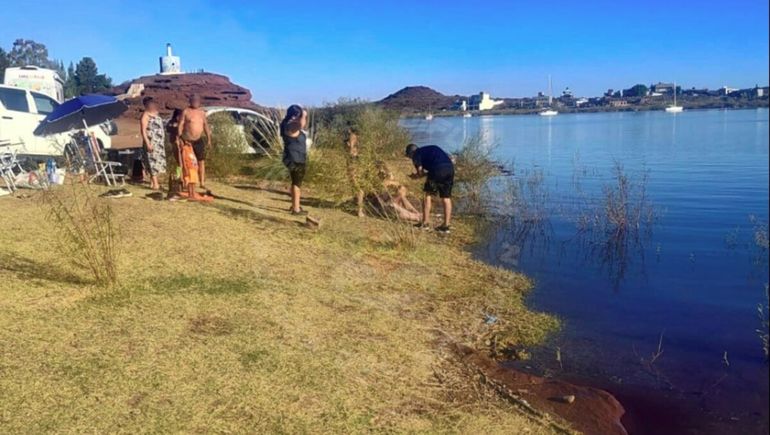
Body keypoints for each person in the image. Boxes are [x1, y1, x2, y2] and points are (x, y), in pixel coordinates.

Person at [405, 143, 454, 233]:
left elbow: (420, 172)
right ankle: (446, 226)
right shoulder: (429, 148)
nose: (410, 159)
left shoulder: (416, 154)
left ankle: (425, 223)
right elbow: (437, 166)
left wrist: (415, 176)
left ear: (411, 153)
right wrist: (429, 173)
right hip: (450, 169)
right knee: (446, 198)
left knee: (427, 195)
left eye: (409, 156)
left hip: (437, 170)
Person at [178, 96, 212, 202]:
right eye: (193, 101)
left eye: (197, 101)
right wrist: (180, 138)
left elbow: (205, 125)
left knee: (201, 161)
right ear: (190, 101)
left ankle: (201, 182)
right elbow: (180, 125)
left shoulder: (201, 112)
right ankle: (186, 182)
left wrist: (209, 139)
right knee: (188, 164)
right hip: (188, 141)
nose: (195, 102)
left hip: (199, 140)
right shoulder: (186, 111)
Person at [280, 105, 308, 215]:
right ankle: (296, 209)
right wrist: (304, 114)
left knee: (295, 182)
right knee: (297, 183)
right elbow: (302, 124)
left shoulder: (285, 124)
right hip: (295, 159)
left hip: (293, 157)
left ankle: (294, 205)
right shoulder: (291, 125)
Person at [139, 97, 167, 190]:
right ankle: (155, 184)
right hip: (151, 142)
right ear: (146, 105)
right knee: (152, 162)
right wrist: (148, 143)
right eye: (150, 103)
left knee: (158, 162)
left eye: (153, 103)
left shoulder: (156, 113)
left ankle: (152, 182)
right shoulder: (145, 116)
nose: (152, 105)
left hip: (159, 143)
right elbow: (143, 131)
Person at [345, 126, 365, 217]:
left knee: (356, 187)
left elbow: (350, 149)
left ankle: (358, 209)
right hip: (353, 161)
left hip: (352, 162)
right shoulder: (354, 137)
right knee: (357, 187)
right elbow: (351, 149)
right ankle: (358, 209)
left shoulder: (352, 136)